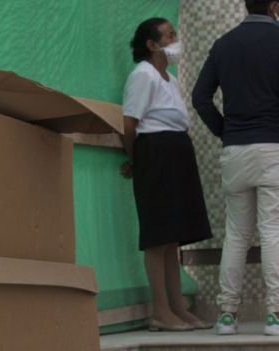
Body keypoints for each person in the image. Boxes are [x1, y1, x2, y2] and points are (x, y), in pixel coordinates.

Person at [192, 0, 279, 336]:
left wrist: (225, 131)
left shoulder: (224, 44)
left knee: (237, 234)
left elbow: (201, 97)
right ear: (273, 5)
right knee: (272, 230)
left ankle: (227, 314)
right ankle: (275, 315)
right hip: (273, 147)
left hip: (236, 150)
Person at [121, 17, 213, 331]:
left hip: (176, 151)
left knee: (173, 238)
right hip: (154, 152)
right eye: (169, 35)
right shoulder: (143, 75)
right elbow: (130, 124)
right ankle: (160, 311)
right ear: (151, 44)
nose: (175, 40)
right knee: (157, 236)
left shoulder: (170, 80)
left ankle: (178, 308)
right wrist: (135, 160)